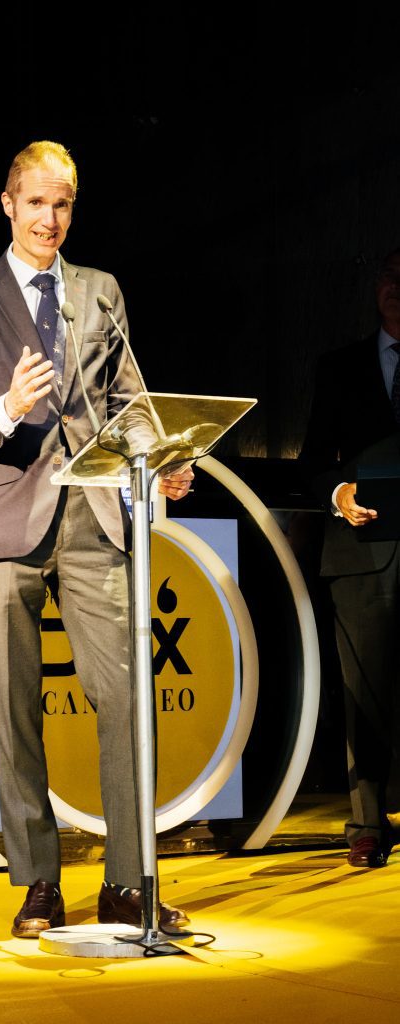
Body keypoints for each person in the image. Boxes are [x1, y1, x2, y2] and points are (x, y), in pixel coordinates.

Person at [0, 140, 194, 937]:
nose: (49, 219)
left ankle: (127, 883)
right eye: (36, 203)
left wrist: (159, 459)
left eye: (62, 205)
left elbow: (130, 402)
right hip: (4, 521)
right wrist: (8, 409)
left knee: (125, 699)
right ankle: (38, 882)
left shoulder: (99, 291)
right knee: (13, 707)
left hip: (92, 518)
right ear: (7, 204)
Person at [300, 246, 400, 868]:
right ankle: (367, 822)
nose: (397, 286)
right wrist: (338, 493)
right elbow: (313, 460)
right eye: (389, 276)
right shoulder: (339, 367)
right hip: (361, 553)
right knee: (363, 690)